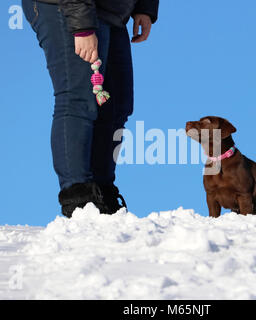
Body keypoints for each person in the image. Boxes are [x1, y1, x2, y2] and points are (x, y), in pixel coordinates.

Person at [22, 0, 159, 217]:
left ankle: (102, 194)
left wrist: (144, 6)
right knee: (79, 98)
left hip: (112, 11)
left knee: (116, 106)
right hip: (69, 7)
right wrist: (81, 22)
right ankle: (78, 198)